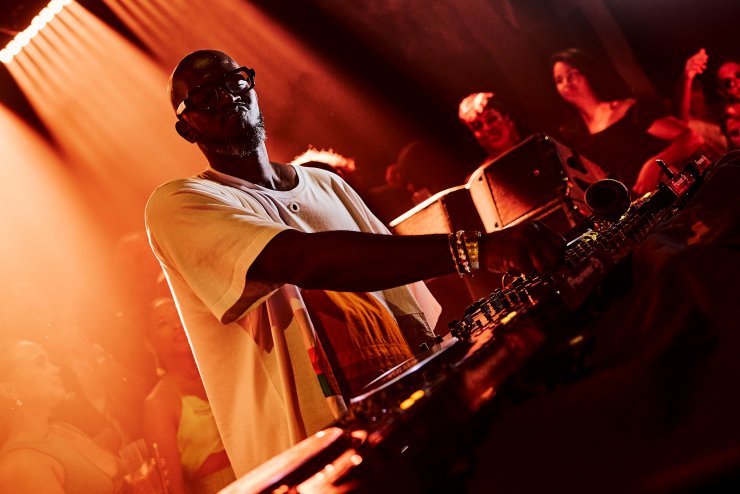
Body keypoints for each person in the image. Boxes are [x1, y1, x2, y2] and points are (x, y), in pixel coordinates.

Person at [144, 49, 565, 475]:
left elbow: (405, 305)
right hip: (314, 465)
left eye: (236, 82)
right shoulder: (179, 203)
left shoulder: (327, 184)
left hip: (408, 429)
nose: (229, 97)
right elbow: (303, 260)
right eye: (206, 97)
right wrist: (475, 248)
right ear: (186, 128)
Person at [550, 48, 703, 196]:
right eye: (559, 80)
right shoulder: (573, 136)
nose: (566, 83)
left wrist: (654, 165)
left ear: (587, 72)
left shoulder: (628, 111)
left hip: (670, 195)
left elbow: (691, 138)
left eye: (572, 74)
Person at [0, 340, 122, 493]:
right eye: (40, 363)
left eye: (50, 361)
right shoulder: (18, 466)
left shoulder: (62, 429)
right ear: (10, 390)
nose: (56, 369)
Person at [142, 297, 236, 494]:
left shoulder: (223, 368)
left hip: (265, 467)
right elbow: (174, 488)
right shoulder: (158, 404)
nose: (177, 325)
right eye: (163, 323)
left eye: (178, 314)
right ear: (149, 344)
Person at [676, 48, 728, 160]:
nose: (695, 96)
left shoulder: (722, 110)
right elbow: (681, 123)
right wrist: (687, 79)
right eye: (690, 91)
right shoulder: (695, 125)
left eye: (696, 88)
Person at [458, 92, 522, 160]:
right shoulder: (486, 167)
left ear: (507, 118)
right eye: (477, 126)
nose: (487, 128)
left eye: (491, 119)